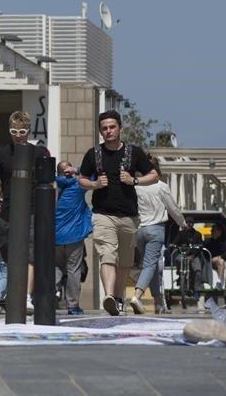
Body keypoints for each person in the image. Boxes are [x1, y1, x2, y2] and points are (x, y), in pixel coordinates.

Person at [77, 110, 158, 316]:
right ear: (100, 132)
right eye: (104, 128)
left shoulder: (134, 152)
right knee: (107, 254)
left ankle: (119, 299)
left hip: (129, 216)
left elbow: (154, 175)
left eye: (112, 127)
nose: (108, 131)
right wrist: (95, 184)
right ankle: (109, 296)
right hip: (103, 214)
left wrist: (134, 180)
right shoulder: (93, 154)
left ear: (120, 128)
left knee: (124, 261)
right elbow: (81, 179)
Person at [0, 111, 51, 314]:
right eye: (14, 131)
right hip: (8, 211)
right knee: (10, 253)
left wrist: (48, 207)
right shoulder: (1, 153)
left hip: (32, 210)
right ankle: (14, 291)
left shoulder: (39, 153)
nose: (18, 135)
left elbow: (49, 181)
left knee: (30, 254)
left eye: (22, 131)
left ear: (29, 130)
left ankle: (27, 296)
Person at [129, 159, 186, 314]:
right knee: (149, 265)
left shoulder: (136, 187)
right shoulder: (161, 187)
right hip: (156, 230)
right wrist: (182, 223)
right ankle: (137, 296)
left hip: (139, 231)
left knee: (151, 266)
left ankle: (158, 303)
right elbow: (172, 208)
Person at [54, 161, 91, 315]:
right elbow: (94, 173)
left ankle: (50, 297)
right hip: (74, 236)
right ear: (68, 172)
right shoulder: (77, 186)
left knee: (54, 269)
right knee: (73, 270)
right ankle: (73, 305)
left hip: (54, 236)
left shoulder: (52, 186)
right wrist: (76, 170)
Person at [202, 224, 226, 306]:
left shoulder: (225, 242)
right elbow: (203, 251)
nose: (211, 232)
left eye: (213, 230)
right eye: (211, 230)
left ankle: (219, 281)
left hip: (219, 263)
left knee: (221, 261)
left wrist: (219, 257)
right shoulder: (207, 241)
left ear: (219, 232)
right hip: (208, 262)